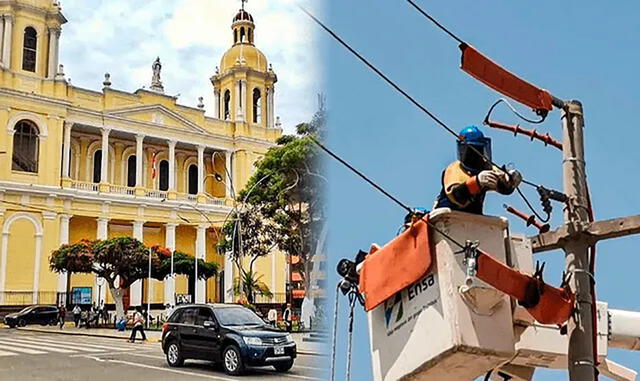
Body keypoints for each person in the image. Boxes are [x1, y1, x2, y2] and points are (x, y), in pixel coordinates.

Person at [435, 126, 522, 214]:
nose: (475, 156)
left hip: (473, 220)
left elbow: (502, 187)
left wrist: (510, 181)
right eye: (471, 151)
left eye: (479, 150)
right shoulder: (454, 169)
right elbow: (457, 196)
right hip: (447, 217)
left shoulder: (486, 168)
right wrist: (476, 182)